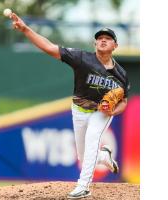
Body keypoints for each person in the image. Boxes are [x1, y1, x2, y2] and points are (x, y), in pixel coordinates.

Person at [9, 13, 130, 199]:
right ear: (94, 44)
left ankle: (83, 186)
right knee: (83, 156)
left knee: (92, 139)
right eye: (99, 38)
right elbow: (49, 47)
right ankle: (103, 156)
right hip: (79, 111)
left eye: (108, 38)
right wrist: (25, 29)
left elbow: (124, 102)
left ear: (115, 45)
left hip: (101, 113)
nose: (103, 41)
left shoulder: (121, 74)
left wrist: (113, 110)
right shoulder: (82, 58)